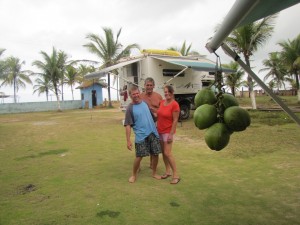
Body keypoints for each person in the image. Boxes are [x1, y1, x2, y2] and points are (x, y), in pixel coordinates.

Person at [124, 85, 162, 183]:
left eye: (137, 93)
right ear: (130, 96)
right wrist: (128, 140)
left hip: (153, 132)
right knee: (139, 156)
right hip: (141, 135)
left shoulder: (145, 103)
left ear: (139, 93)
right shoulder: (130, 108)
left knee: (155, 153)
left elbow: (153, 117)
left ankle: (154, 173)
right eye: (133, 94)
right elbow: (128, 125)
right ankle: (133, 175)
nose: (136, 95)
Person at [157, 85, 181, 184]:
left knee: (168, 153)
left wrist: (171, 134)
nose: (166, 93)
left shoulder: (175, 104)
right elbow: (159, 114)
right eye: (165, 92)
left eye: (168, 92)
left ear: (172, 92)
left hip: (168, 132)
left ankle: (176, 175)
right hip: (160, 131)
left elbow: (175, 120)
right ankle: (168, 171)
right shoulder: (162, 102)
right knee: (163, 153)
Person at [140, 77, 163, 169]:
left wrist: (154, 110)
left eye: (150, 85)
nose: (149, 87)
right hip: (143, 125)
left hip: (155, 125)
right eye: (147, 85)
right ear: (144, 86)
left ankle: (152, 164)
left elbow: (162, 110)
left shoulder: (158, 96)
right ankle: (138, 165)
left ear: (153, 86)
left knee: (153, 145)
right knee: (141, 144)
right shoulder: (140, 96)